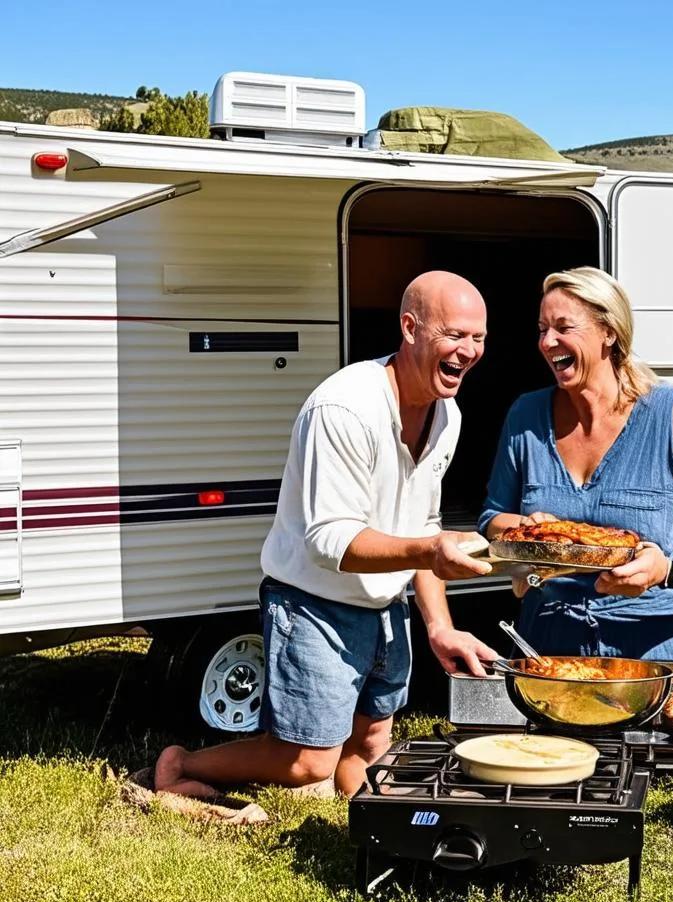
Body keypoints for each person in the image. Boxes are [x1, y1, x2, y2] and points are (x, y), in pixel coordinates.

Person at [156, 271, 499, 799]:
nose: (468, 350)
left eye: (478, 337)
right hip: (314, 602)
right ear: (410, 328)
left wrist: (438, 627)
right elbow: (331, 540)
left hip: (386, 607)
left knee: (371, 740)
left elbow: (423, 525)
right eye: (454, 334)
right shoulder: (343, 407)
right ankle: (181, 765)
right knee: (305, 762)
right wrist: (430, 551)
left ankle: (366, 827)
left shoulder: (446, 415)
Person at [478, 267, 673, 662]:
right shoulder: (526, 415)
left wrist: (668, 571)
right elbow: (491, 517)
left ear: (609, 332)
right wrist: (525, 530)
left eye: (563, 327)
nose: (547, 342)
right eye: (542, 328)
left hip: (665, 647)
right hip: (552, 646)